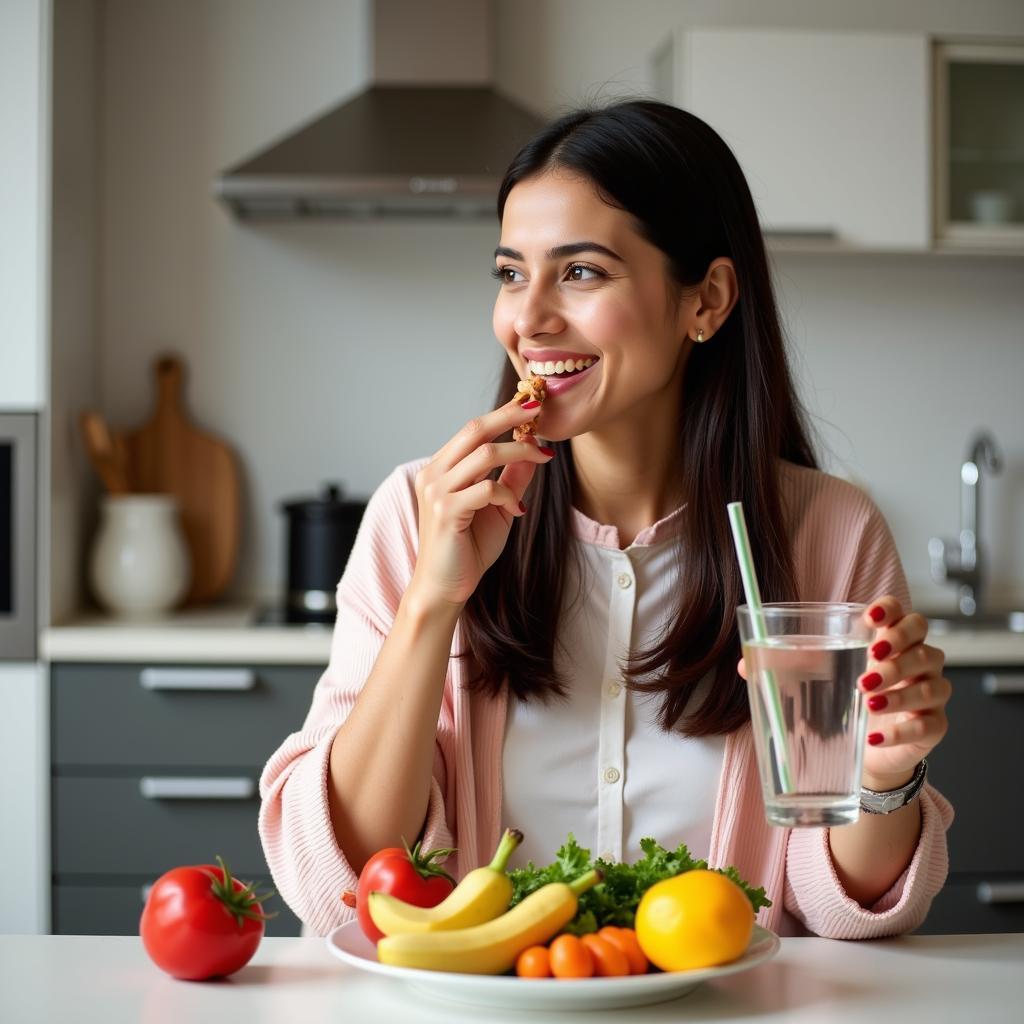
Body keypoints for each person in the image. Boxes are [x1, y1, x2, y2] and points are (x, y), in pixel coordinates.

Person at [259, 100, 953, 939]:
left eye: (581, 272)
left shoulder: (827, 534)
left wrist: (880, 773)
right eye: (512, 273)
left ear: (708, 300)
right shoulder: (421, 513)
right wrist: (433, 601)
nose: (529, 318)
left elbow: (844, 908)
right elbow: (338, 877)